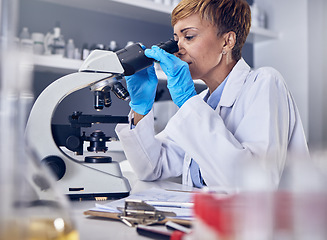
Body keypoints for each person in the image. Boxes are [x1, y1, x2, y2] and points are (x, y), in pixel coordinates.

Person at [115, 0, 310, 190]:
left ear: (227, 41)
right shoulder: (200, 104)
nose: (178, 50)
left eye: (189, 37)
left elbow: (254, 185)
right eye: (175, 40)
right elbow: (151, 168)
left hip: (260, 220)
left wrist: (187, 102)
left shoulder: (264, 83)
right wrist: (141, 107)